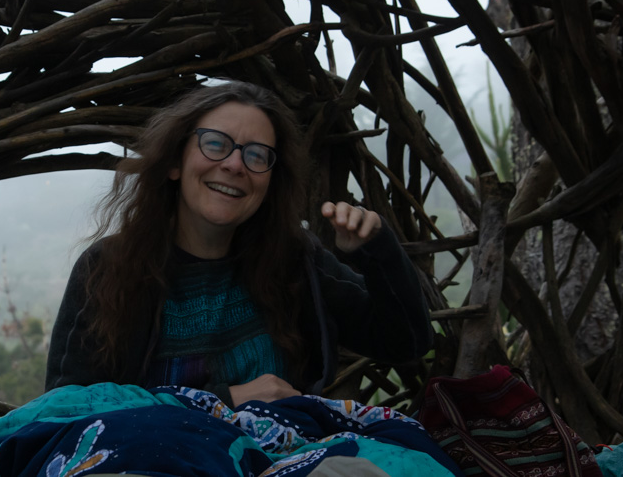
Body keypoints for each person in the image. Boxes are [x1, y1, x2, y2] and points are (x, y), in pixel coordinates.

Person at [45, 80, 432, 408]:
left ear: (270, 182)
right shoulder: (110, 267)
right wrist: (226, 399)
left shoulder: (293, 260)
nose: (234, 165)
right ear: (175, 163)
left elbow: (406, 342)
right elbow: (67, 407)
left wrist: (377, 247)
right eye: (215, 144)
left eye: (256, 155)